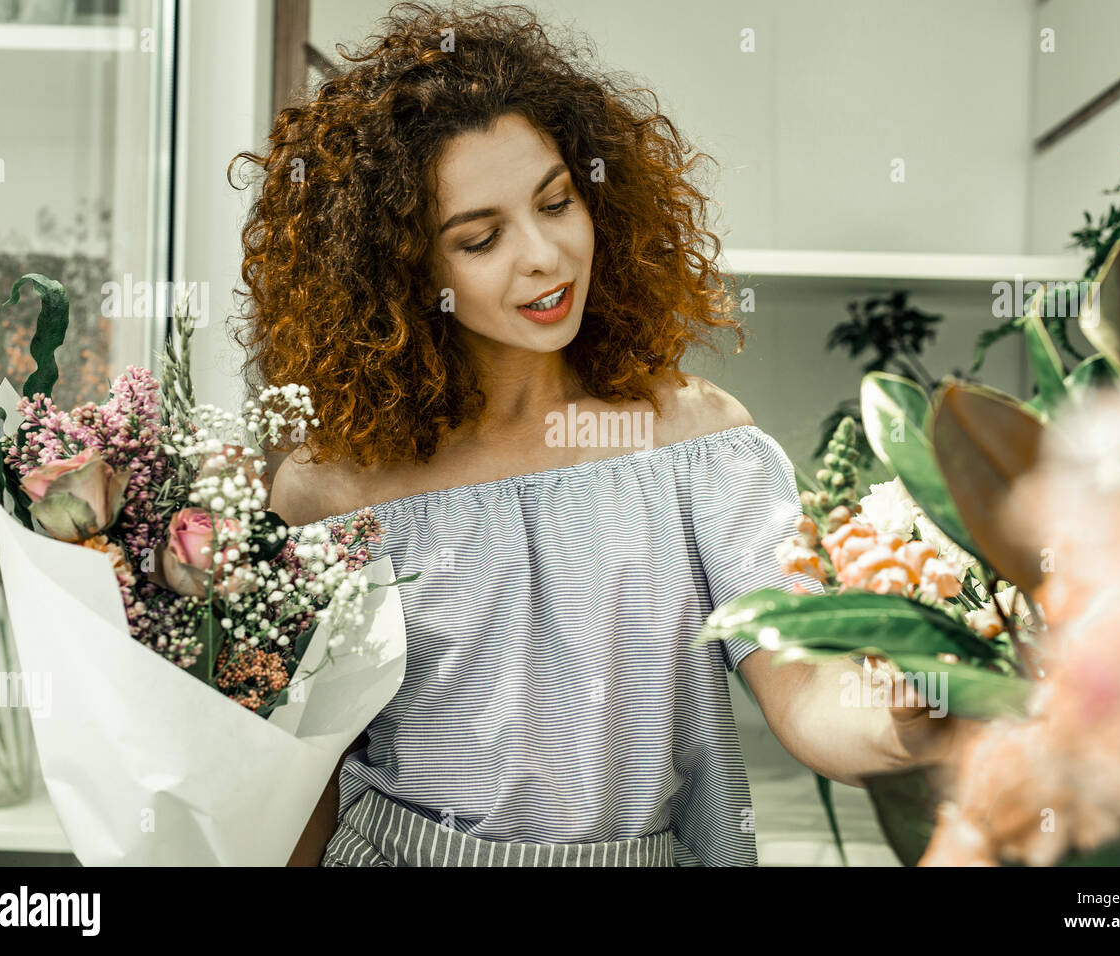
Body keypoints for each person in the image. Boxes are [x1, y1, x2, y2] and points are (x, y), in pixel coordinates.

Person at [231, 1, 970, 867]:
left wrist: (907, 713)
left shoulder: (700, 447)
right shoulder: (330, 493)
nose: (544, 254)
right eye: (481, 238)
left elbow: (806, 691)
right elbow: (303, 779)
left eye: (556, 202)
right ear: (401, 269)